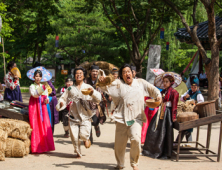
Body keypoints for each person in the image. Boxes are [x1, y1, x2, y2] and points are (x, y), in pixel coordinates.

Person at [98, 64, 162, 170]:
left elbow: (153, 90)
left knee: (136, 139)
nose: (126, 74)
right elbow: (106, 85)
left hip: (136, 118)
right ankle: (120, 164)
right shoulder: (118, 84)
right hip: (121, 118)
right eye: (123, 72)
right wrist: (102, 79)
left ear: (132, 73)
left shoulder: (141, 83)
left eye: (128, 71)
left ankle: (134, 163)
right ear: (121, 76)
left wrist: (158, 97)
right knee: (119, 145)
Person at [56, 67, 101, 158]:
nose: (79, 75)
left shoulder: (88, 87)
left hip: (85, 115)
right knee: (74, 138)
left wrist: (92, 93)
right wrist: (61, 103)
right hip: (73, 115)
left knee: (83, 135)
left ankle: (86, 139)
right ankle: (78, 152)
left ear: (84, 75)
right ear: (74, 75)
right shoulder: (70, 89)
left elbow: (98, 98)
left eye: (81, 73)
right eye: (77, 73)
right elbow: (63, 98)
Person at [142, 72, 180, 159]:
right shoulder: (163, 91)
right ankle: (150, 150)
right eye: (164, 82)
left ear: (171, 83)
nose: (165, 83)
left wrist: (174, 118)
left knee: (165, 132)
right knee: (152, 128)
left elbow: (174, 106)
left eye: (166, 81)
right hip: (161, 111)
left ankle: (164, 151)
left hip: (168, 114)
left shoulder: (174, 92)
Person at [28, 69, 55, 153]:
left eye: (40, 76)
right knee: (35, 124)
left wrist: (47, 100)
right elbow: (35, 95)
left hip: (43, 107)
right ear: (34, 77)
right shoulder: (32, 86)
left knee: (44, 124)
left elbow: (46, 96)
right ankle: (36, 147)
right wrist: (42, 88)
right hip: (34, 107)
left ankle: (45, 146)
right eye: (36, 76)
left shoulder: (44, 86)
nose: (38, 78)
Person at [85, 64, 106, 144]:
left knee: (95, 121)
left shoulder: (100, 81)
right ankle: (89, 136)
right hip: (87, 104)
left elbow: (105, 89)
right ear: (90, 72)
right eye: (93, 71)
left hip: (97, 105)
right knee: (88, 121)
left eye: (96, 71)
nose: (95, 73)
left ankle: (97, 126)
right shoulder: (85, 81)